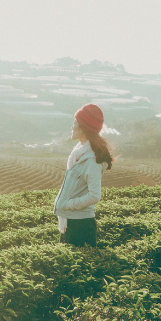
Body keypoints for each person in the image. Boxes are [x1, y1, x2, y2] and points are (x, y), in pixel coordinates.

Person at [53, 103, 113, 247]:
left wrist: (68, 205)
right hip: (71, 222)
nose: (72, 127)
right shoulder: (79, 153)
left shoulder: (91, 161)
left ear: (83, 129)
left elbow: (94, 195)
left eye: (74, 123)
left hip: (80, 226)